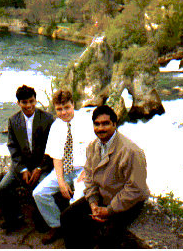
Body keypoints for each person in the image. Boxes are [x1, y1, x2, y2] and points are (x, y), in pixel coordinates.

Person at [60, 105, 150, 249]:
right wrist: (93, 203)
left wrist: (109, 210)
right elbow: (89, 177)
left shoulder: (132, 151)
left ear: (115, 124)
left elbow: (135, 189)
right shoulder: (93, 146)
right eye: (97, 124)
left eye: (105, 123)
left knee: (106, 238)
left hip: (127, 202)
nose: (100, 128)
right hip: (103, 196)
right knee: (67, 218)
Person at [32, 89, 93, 245]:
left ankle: (76, 234)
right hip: (65, 170)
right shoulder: (56, 126)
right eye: (59, 109)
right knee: (39, 193)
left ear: (73, 104)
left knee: (76, 201)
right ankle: (56, 225)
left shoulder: (86, 121)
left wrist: (87, 171)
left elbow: (97, 150)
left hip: (84, 169)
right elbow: (57, 157)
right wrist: (61, 182)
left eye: (67, 107)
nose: (64, 112)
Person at [0, 85, 54, 233]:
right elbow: (13, 147)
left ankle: (43, 221)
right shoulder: (13, 121)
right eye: (24, 102)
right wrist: (22, 169)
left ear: (36, 100)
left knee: (41, 188)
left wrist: (40, 168)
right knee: (4, 187)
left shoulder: (48, 118)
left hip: (42, 166)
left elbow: (52, 147)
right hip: (21, 167)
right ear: (18, 103)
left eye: (31, 101)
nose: (29, 105)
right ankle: (15, 218)